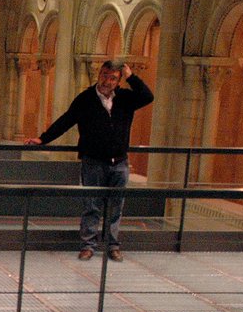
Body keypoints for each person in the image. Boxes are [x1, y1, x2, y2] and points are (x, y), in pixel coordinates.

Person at [26, 60, 153, 261]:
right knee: (92, 205)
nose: (107, 81)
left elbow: (147, 96)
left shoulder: (126, 98)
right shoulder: (85, 99)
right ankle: (88, 245)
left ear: (118, 80)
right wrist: (43, 139)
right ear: (99, 74)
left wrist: (132, 77)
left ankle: (112, 245)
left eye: (113, 78)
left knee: (115, 207)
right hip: (93, 162)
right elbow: (66, 120)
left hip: (119, 163)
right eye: (104, 75)